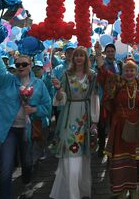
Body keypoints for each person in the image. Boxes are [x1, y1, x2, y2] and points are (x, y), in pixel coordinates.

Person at [0, 34, 52, 199]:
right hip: (8, 131)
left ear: (30, 66)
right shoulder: (6, 81)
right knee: (6, 168)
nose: (20, 66)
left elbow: (47, 107)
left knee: (27, 164)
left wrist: (35, 110)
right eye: (18, 64)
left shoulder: (39, 84)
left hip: (28, 131)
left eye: (24, 64)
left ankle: (26, 181)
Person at [95, 42, 139, 198]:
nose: (129, 73)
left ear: (136, 71)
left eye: (132, 70)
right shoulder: (118, 82)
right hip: (120, 127)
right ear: (122, 71)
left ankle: (134, 189)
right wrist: (97, 53)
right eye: (126, 70)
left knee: (137, 160)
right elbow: (103, 73)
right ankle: (121, 190)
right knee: (121, 160)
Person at [49, 46, 99, 199]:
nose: (78, 58)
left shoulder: (92, 75)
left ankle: (82, 190)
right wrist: (58, 90)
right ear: (72, 58)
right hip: (69, 116)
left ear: (86, 58)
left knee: (83, 156)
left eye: (81, 55)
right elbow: (61, 99)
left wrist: (95, 120)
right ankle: (72, 194)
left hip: (85, 117)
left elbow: (94, 98)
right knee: (70, 154)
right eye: (76, 55)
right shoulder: (66, 74)